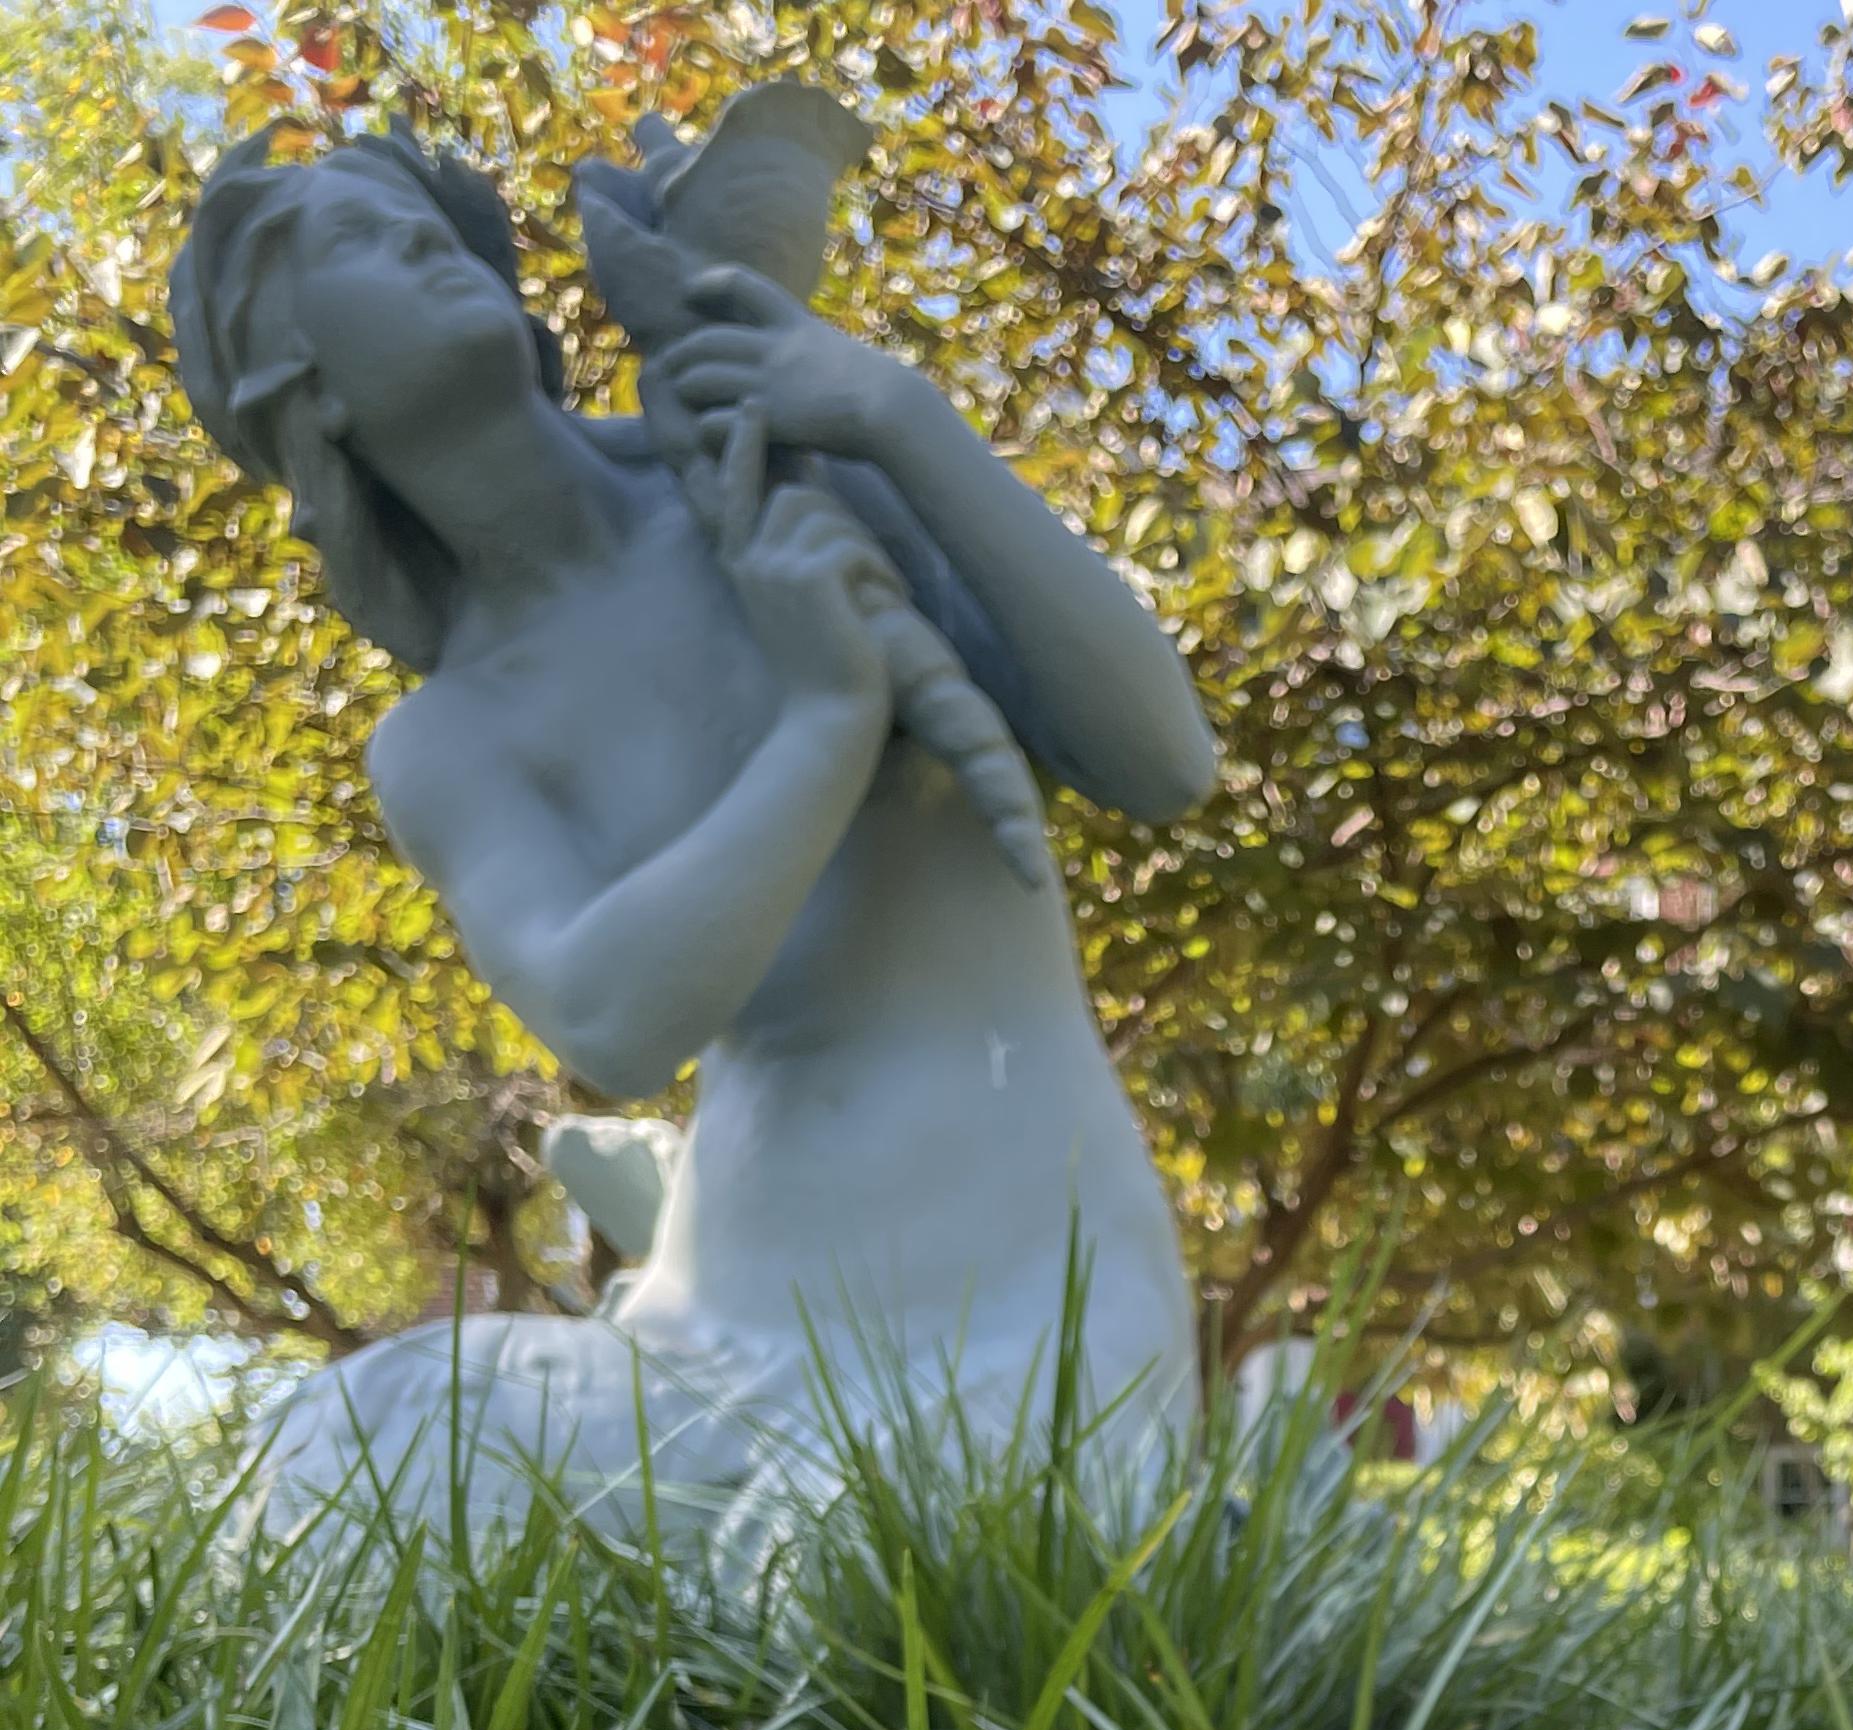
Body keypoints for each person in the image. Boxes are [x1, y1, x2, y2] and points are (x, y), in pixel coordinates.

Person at [168, 113, 1216, 1523]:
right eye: (359, 240)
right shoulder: (450, 737)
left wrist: (895, 410)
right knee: (352, 1459)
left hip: (1024, 1265)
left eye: (419, 220)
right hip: (717, 1330)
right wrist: (828, 719)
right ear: (308, 388)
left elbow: (1163, 758)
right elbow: (613, 1017)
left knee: (863, 1601)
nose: (421, 238)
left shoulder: (789, 454)